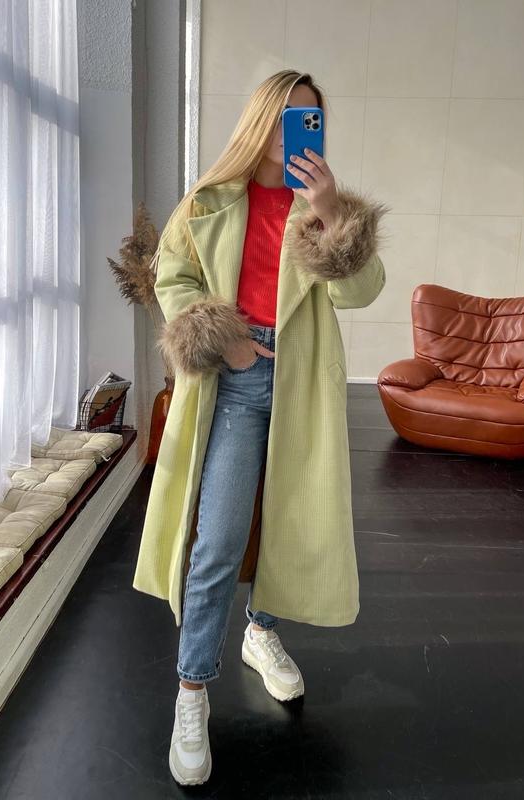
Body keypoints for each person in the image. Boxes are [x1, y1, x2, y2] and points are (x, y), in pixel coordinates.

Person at [132, 69, 387, 786]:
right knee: (217, 539)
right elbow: (172, 279)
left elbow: (361, 292)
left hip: (303, 380)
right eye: (284, 118)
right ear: (259, 121)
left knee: (290, 520)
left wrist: (332, 213)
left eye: (309, 119)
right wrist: (228, 340)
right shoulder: (208, 201)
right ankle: (191, 690)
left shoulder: (321, 205)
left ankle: (261, 632)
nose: (293, 133)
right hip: (237, 379)